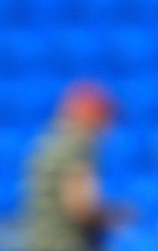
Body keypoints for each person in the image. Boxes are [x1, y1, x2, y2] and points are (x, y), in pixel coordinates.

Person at [25, 81, 114, 251]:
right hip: (66, 243)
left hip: (38, 239)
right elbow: (80, 207)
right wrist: (112, 217)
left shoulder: (46, 141)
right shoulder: (77, 146)